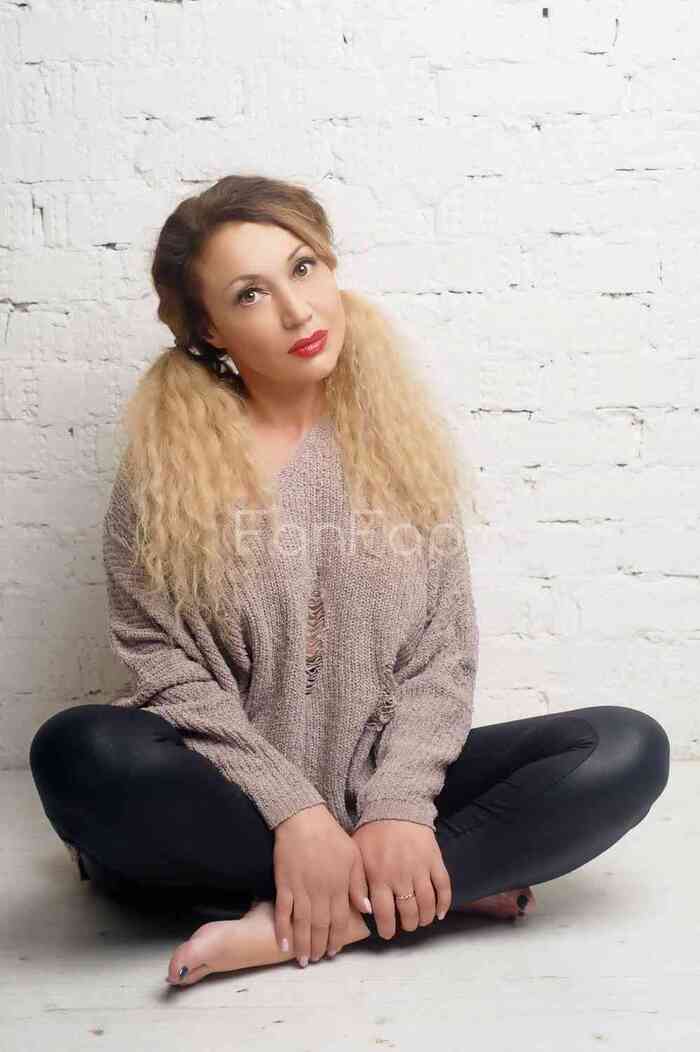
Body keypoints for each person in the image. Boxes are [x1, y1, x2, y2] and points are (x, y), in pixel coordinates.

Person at [29, 174, 670, 988]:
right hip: (226, 800)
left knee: (624, 748)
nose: (297, 311)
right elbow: (161, 663)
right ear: (210, 329)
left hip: (378, 785)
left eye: (303, 268)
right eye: (251, 293)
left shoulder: (396, 443)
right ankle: (423, 889)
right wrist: (295, 812)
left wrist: (399, 807)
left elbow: (442, 656)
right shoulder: (165, 468)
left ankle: (305, 920)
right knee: (80, 753)